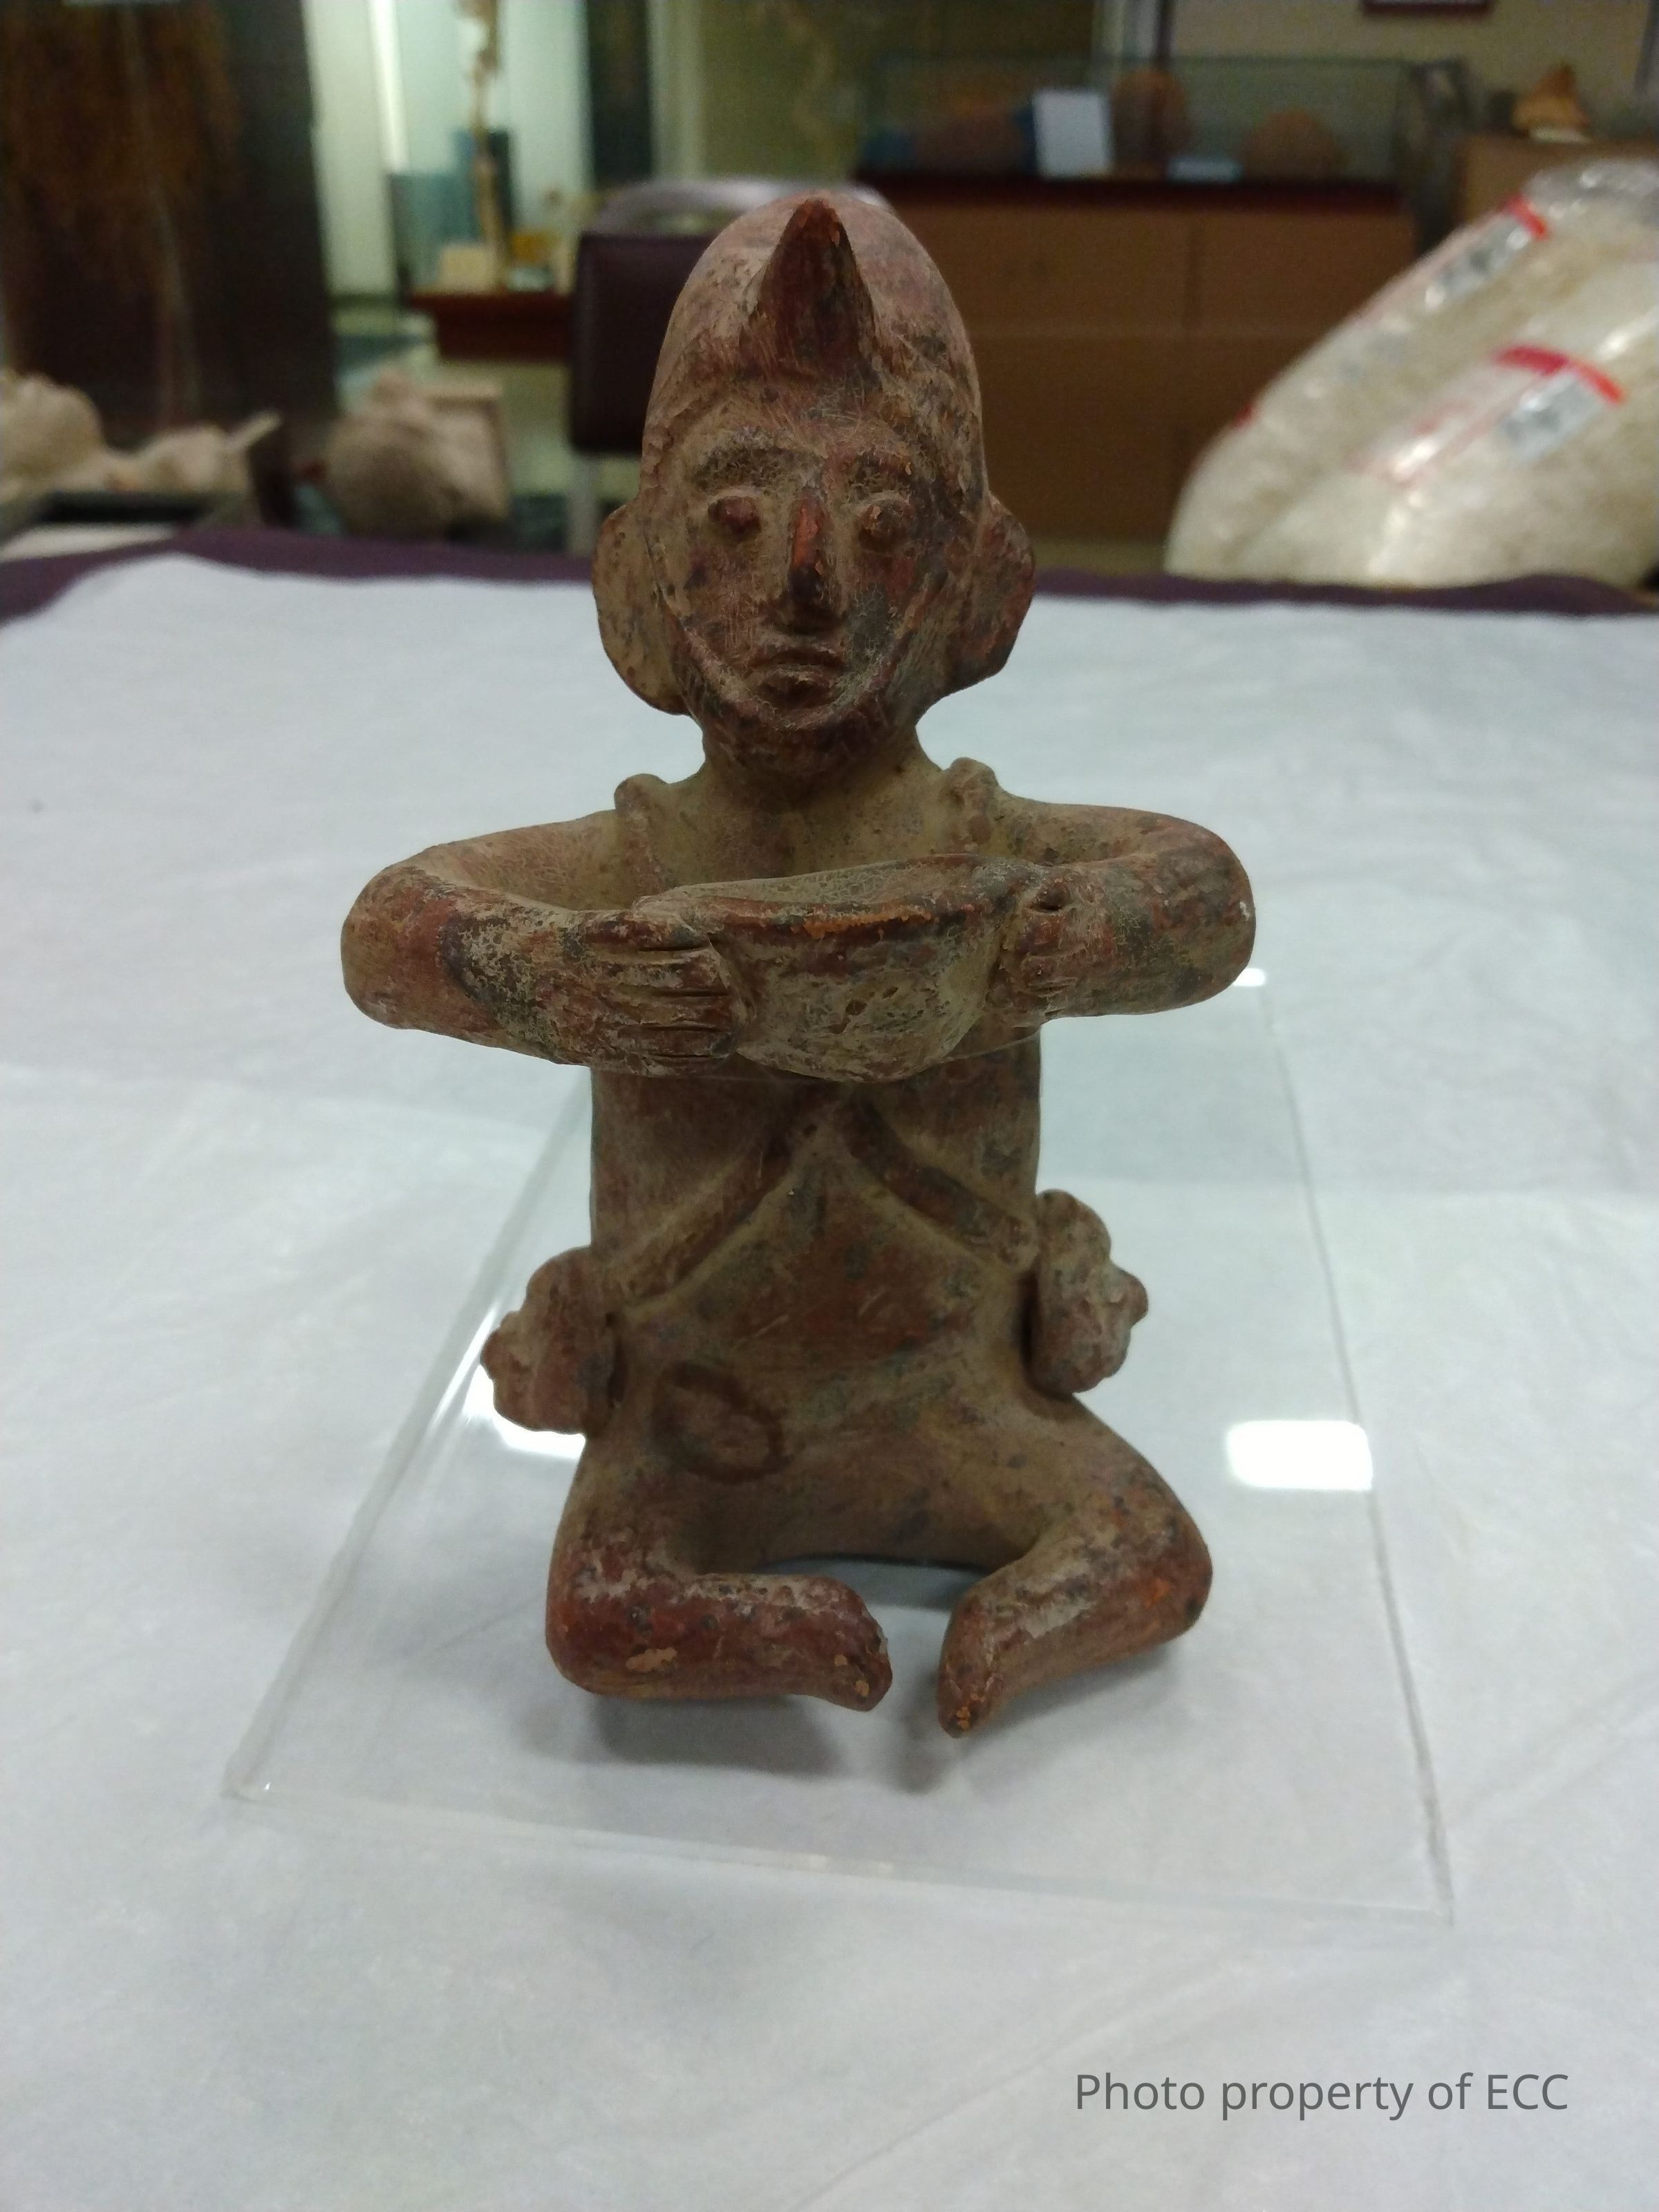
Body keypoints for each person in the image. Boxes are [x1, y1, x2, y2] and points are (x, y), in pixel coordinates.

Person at [342, 194, 1255, 1734]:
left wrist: (1042, 953)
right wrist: (565, 978)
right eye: (737, 520)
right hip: (703, 1409)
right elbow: (393, 929)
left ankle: (978, 1626)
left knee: (1146, 1547)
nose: (810, 583)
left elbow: (1204, 895)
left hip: (957, 1386)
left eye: (884, 525)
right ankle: (744, 1614)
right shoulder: (646, 857)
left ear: (976, 587)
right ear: (641, 583)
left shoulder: (982, 841)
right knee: (601, 1607)